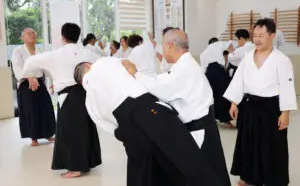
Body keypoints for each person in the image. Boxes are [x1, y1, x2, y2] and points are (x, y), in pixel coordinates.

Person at [74, 57, 230, 186]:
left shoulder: (89, 102)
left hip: (126, 125)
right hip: (149, 109)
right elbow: (130, 68)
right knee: (184, 158)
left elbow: (109, 127)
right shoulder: (103, 63)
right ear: (88, 66)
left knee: (143, 171)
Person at [123, 28, 231, 186]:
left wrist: (136, 73)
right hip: (198, 125)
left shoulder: (185, 68)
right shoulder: (184, 64)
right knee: (204, 171)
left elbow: (161, 88)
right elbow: (164, 81)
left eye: (163, 45)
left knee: (203, 174)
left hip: (198, 128)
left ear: (170, 46)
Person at [21, 23, 102, 178]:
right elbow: (103, 63)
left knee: (70, 131)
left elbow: (30, 62)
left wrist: (29, 74)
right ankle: (87, 162)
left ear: (62, 37)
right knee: (85, 128)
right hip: (85, 93)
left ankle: (75, 167)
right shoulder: (87, 53)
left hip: (69, 97)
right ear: (78, 36)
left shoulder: (55, 54)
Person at [224, 18, 298, 186]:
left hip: (271, 108)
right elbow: (239, 80)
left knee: (272, 146)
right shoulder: (248, 56)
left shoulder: (281, 59)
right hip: (249, 107)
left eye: (261, 35)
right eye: (254, 35)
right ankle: (248, 177)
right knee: (248, 143)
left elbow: (287, 86)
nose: (256, 39)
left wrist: (285, 113)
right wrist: (234, 102)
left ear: (272, 36)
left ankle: (274, 179)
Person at [11, 28, 56, 147]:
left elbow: (46, 68)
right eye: (29, 33)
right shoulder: (18, 51)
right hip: (26, 83)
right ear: (23, 37)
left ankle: (48, 133)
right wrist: (29, 77)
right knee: (31, 109)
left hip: (40, 82)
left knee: (46, 107)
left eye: (34, 33)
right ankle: (34, 137)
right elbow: (17, 68)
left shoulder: (39, 51)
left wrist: (53, 80)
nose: (33, 35)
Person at [200, 41, 234, 128]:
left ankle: (214, 118)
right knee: (224, 95)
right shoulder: (219, 45)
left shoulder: (204, 52)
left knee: (212, 96)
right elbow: (230, 44)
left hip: (208, 73)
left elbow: (203, 68)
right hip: (218, 72)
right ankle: (226, 120)